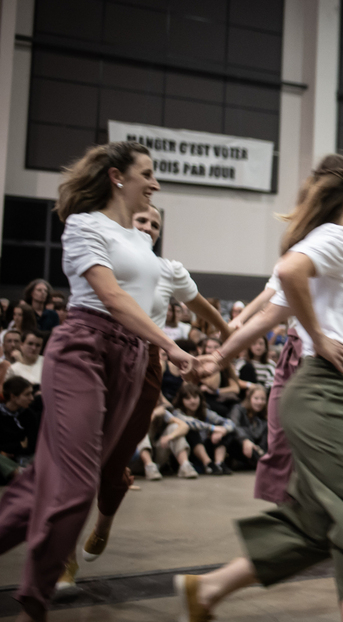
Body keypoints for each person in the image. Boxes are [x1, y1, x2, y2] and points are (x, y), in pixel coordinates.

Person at [175, 154, 343, 622]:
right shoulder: (336, 237)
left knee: (316, 523)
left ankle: (207, 590)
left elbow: (274, 312)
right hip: (324, 393)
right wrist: (323, 337)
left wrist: (219, 357)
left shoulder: (333, 245)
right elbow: (288, 275)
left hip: (327, 394)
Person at [0, 141, 196, 622]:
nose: (155, 183)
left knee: (46, 482)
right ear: (116, 176)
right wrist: (168, 345)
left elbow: (165, 297)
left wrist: (218, 342)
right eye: (147, 173)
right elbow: (109, 295)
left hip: (130, 360)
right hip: (85, 347)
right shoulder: (85, 225)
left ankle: (34, 592)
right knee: (78, 484)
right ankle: (36, 599)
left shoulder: (143, 241)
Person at [57, 203, 231, 590]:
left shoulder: (168, 269)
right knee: (79, 455)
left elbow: (202, 306)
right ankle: (63, 555)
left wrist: (229, 336)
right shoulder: (106, 251)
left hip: (146, 361)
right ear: (126, 219)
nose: (149, 226)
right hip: (98, 351)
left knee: (115, 459)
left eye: (155, 224)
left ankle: (104, 519)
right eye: (142, 219)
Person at [226, 385, 269, 469]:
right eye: (256, 398)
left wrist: (259, 449)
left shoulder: (264, 419)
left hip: (254, 449)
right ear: (249, 398)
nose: (259, 402)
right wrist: (245, 440)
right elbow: (234, 425)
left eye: (263, 399)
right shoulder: (238, 409)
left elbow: (263, 443)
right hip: (237, 444)